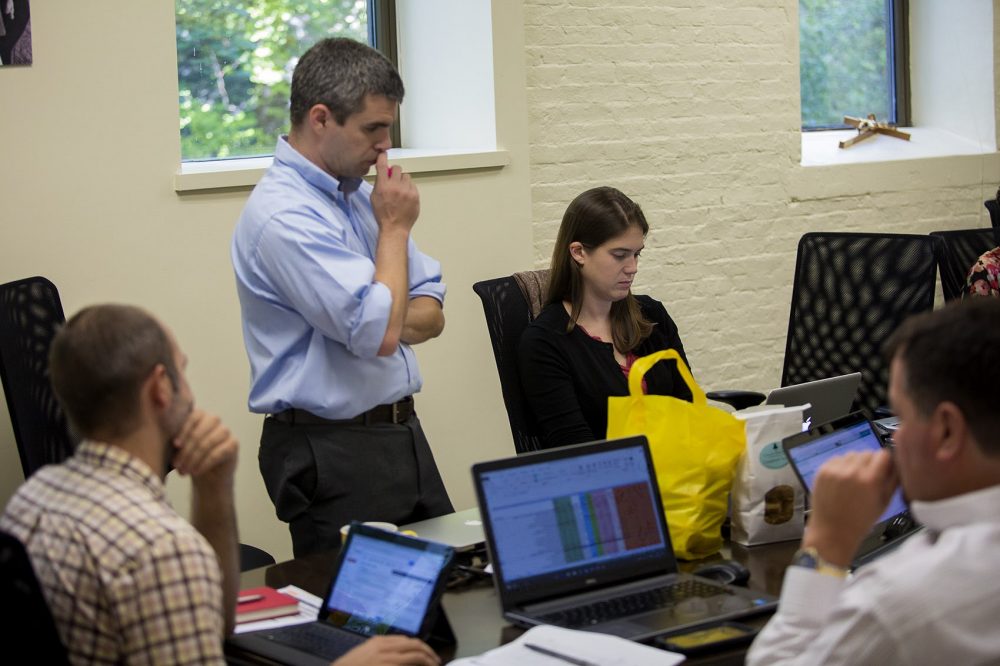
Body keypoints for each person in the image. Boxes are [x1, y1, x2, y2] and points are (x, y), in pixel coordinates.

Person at [0, 304, 440, 666]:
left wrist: (213, 488)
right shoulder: (159, 549)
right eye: (183, 373)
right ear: (159, 389)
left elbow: (210, 623)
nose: (190, 394)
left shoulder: (33, 499)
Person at [232, 37, 452, 557]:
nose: (385, 148)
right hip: (329, 448)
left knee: (455, 589)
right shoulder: (284, 216)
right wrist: (394, 233)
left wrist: (390, 311)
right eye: (373, 129)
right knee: (362, 624)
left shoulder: (356, 196)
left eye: (389, 129)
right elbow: (380, 332)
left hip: (401, 432)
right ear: (321, 118)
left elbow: (430, 308)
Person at [746, 298, 1000, 665]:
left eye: (903, 417)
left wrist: (826, 545)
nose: (895, 439)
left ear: (946, 430)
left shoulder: (902, 600)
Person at [517, 186, 692, 449]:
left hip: (679, 470)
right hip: (605, 482)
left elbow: (687, 407)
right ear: (578, 253)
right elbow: (575, 447)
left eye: (637, 254)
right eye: (620, 255)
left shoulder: (651, 316)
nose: (632, 268)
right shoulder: (545, 342)